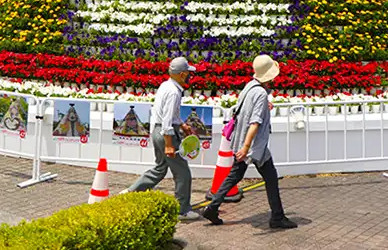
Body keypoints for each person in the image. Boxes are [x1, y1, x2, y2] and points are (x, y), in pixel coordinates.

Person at [202, 54, 296, 230]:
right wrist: (246, 147)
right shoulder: (260, 93)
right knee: (270, 178)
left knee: (236, 175)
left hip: (243, 140)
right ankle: (277, 217)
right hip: (254, 145)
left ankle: (213, 207)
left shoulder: (250, 87)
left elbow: (242, 110)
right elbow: (255, 122)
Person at [122, 57, 200, 220]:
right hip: (166, 134)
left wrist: (182, 125)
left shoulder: (166, 85)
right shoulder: (174, 92)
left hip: (157, 132)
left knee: (160, 168)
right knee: (183, 173)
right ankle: (182, 210)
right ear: (182, 74)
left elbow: (169, 114)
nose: (189, 76)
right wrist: (169, 144)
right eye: (188, 73)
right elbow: (167, 120)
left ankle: (131, 192)